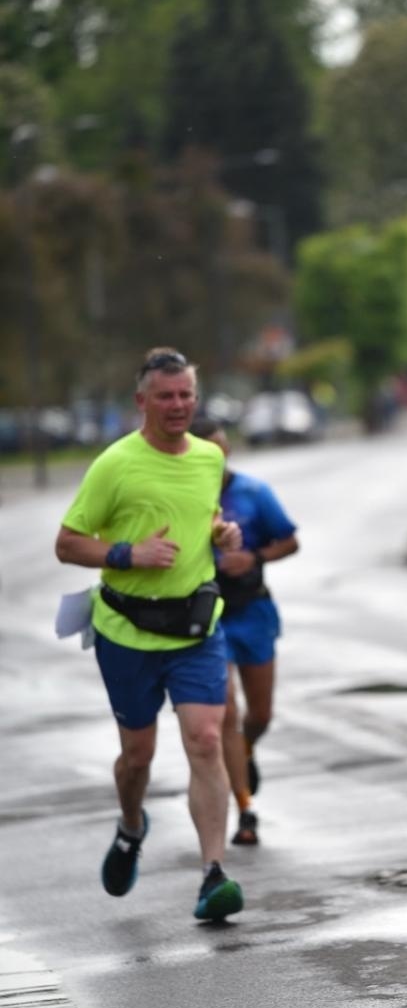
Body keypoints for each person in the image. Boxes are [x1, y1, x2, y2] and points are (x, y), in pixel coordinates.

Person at [55, 348, 245, 922]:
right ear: (142, 401)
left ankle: (213, 874)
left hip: (195, 627)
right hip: (127, 632)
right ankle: (131, 826)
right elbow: (67, 543)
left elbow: (201, 515)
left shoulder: (209, 457)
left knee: (206, 740)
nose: (178, 404)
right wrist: (127, 554)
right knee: (138, 756)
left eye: (186, 394)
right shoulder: (115, 464)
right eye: (166, 396)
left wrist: (220, 532)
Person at [190, 416, 299, 846]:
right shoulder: (185, 496)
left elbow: (289, 540)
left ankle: (247, 749)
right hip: (207, 615)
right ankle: (245, 809)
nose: (220, 457)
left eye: (224, 449)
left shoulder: (253, 492)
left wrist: (253, 558)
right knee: (226, 716)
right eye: (210, 450)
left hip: (252, 610)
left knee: (260, 715)